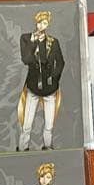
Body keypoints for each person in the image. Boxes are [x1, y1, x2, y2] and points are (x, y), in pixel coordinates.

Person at [17, 10, 64, 151]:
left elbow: (60, 62)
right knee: (27, 125)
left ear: (48, 24)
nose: (41, 25)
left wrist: (53, 77)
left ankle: (48, 149)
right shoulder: (26, 38)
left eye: (44, 23)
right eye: (39, 22)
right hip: (33, 87)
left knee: (49, 126)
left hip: (50, 89)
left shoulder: (53, 42)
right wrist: (33, 42)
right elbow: (26, 59)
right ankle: (23, 150)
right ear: (35, 23)